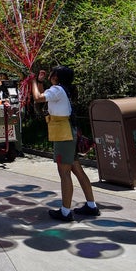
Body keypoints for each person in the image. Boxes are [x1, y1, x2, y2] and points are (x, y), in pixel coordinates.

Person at [31, 65, 100, 222]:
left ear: (56, 77)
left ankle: (65, 211)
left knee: (64, 173)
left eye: (52, 73)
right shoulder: (61, 90)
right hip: (68, 131)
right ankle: (91, 205)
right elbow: (44, 95)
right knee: (76, 169)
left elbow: (37, 98)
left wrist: (32, 81)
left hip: (63, 134)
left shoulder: (57, 90)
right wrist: (39, 81)